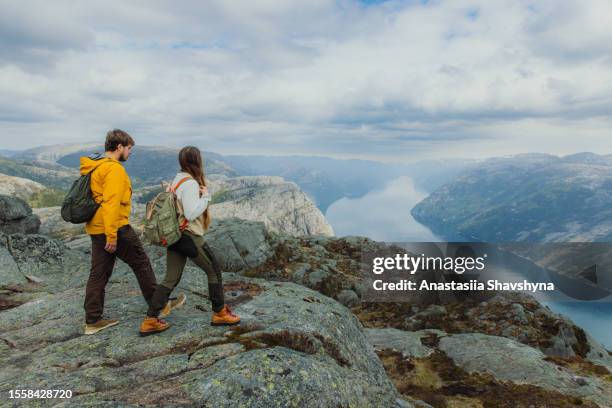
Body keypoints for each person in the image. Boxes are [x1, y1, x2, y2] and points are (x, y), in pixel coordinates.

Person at [139, 146, 240, 336]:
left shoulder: (177, 179)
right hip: (188, 236)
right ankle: (219, 313)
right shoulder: (191, 183)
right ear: (197, 161)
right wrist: (206, 197)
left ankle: (150, 319)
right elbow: (191, 212)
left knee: (171, 278)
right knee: (214, 271)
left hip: (174, 237)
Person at [81, 129, 166, 335]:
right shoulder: (114, 169)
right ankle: (159, 306)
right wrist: (112, 235)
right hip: (115, 227)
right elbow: (111, 203)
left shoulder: (95, 165)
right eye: (129, 148)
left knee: (99, 273)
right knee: (141, 262)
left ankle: (92, 320)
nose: (130, 153)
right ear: (119, 147)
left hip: (96, 226)